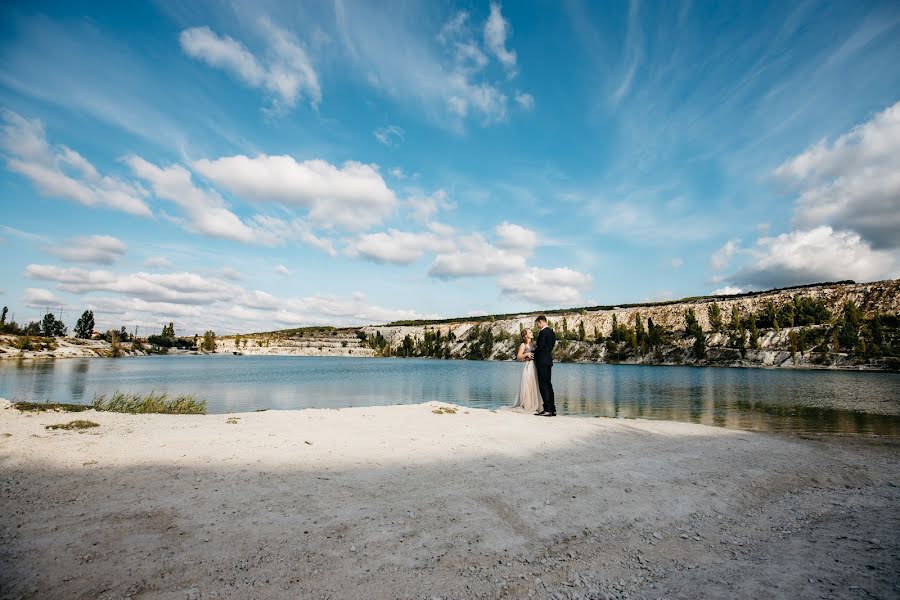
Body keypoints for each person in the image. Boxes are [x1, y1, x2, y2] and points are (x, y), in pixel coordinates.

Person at [512, 328, 542, 413]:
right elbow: (518, 357)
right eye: (530, 332)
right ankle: (527, 405)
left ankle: (536, 405)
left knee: (535, 385)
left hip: (535, 366)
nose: (532, 333)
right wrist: (526, 354)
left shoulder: (534, 344)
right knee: (528, 386)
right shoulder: (523, 345)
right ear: (525, 336)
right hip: (528, 367)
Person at [532, 315, 556, 417]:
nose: (537, 326)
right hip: (548, 361)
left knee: (543, 385)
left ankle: (547, 410)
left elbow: (540, 347)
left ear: (541, 321)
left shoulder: (543, 332)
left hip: (542, 362)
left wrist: (533, 353)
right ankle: (552, 409)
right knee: (549, 385)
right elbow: (550, 347)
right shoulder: (552, 332)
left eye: (537, 324)